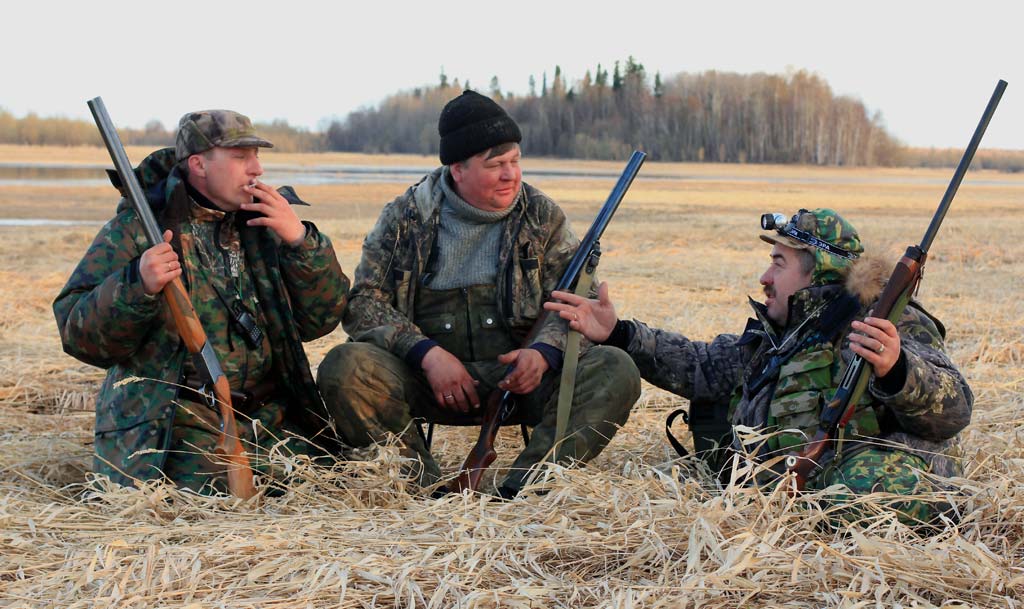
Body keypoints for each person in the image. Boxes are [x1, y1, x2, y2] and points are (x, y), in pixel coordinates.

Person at [545, 208, 973, 524]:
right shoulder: (784, 331)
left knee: (873, 486)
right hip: (786, 492)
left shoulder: (887, 322)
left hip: (860, 483)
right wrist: (619, 332)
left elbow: (955, 409)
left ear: (818, 274)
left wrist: (897, 368)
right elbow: (701, 364)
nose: (765, 277)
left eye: (779, 263)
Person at [317, 90, 641, 497]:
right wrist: (428, 356)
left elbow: (576, 301)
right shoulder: (404, 218)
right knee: (345, 367)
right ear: (457, 169)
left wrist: (543, 355)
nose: (511, 175)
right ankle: (423, 488)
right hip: (426, 380)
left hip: (521, 384)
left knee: (615, 368)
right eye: (496, 165)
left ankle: (522, 490)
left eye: (515, 162)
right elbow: (364, 304)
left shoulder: (542, 216)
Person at [54, 110, 350, 494]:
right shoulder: (137, 230)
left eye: (257, 156)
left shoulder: (267, 223)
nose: (257, 169)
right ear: (198, 164)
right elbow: (77, 333)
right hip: (175, 420)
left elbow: (322, 320)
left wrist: (300, 242)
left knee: (334, 482)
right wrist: (136, 285)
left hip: (271, 416)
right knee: (210, 497)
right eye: (241, 157)